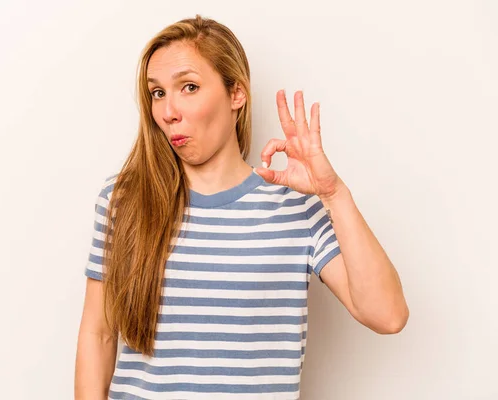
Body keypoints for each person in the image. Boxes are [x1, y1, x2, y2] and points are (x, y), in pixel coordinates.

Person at [74, 14, 409, 400]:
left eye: (189, 87)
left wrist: (332, 193)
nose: (168, 112)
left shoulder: (295, 208)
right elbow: (98, 334)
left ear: (237, 94)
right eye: (158, 93)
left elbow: (388, 315)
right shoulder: (124, 201)